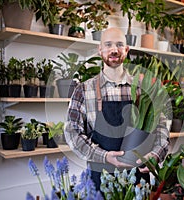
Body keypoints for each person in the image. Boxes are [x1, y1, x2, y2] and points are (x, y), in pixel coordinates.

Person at [65, 27, 169, 190]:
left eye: (119, 45)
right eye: (108, 45)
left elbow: (161, 126)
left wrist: (156, 154)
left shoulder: (144, 88)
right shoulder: (84, 90)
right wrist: (104, 156)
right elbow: (72, 133)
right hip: (101, 177)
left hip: (138, 178)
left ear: (126, 50)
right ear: (100, 50)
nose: (114, 50)